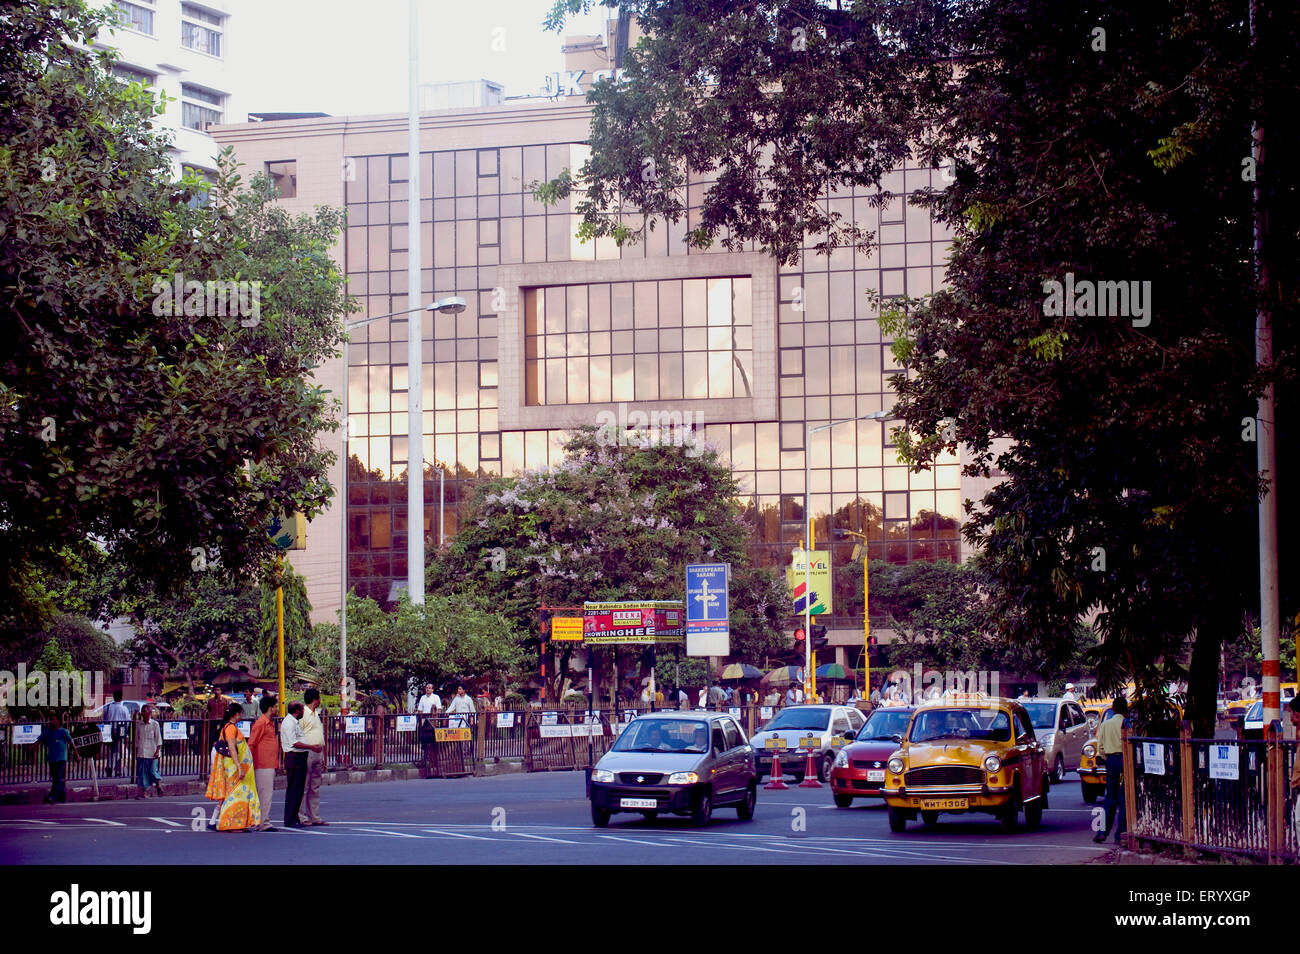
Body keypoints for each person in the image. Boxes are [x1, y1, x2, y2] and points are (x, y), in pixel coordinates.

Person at [205, 702, 261, 832]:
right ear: (236, 714)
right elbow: (232, 748)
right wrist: (239, 767)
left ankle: (235, 823)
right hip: (234, 767)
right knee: (235, 794)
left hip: (235, 766)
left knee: (236, 793)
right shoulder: (230, 728)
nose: (242, 715)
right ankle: (231, 824)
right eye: (241, 713)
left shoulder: (230, 727)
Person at [1094, 696, 1130, 844]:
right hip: (1125, 761)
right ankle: (1119, 834)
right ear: (1125, 710)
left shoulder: (1105, 725)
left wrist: (1105, 756)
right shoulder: (1127, 724)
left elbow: (1100, 747)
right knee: (1125, 799)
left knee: (1110, 797)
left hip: (1111, 761)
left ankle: (1102, 832)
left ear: (1113, 709)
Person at [298, 688, 328, 826]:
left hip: (318, 752)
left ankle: (314, 815)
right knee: (304, 785)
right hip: (308, 751)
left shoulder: (316, 714)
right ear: (315, 699)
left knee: (315, 786)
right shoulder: (303, 714)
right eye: (319, 698)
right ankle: (302, 816)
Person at [280, 700, 312, 829]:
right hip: (294, 757)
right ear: (297, 710)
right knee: (294, 788)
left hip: (299, 757)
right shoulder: (289, 723)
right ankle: (290, 818)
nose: (304, 711)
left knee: (298, 789)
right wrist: (311, 747)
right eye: (302, 709)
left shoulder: (294, 722)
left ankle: (294, 817)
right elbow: (294, 742)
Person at [249, 694, 279, 831]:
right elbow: (251, 743)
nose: (277, 709)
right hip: (263, 764)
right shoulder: (261, 723)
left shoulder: (268, 723)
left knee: (265, 793)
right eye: (275, 706)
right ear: (270, 708)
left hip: (268, 763)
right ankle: (263, 822)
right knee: (265, 794)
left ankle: (261, 821)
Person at [39, 713, 75, 804]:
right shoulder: (47, 731)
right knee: (55, 778)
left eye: (54, 719)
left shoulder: (63, 731)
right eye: (51, 719)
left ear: (58, 721)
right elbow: (39, 740)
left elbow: (71, 742)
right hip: (52, 758)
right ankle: (62, 797)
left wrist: (77, 755)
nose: (52, 721)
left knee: (58, 778)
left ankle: (52, 796)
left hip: (61, 759)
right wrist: (33, 746)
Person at [133, 705, 162, 799]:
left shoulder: (155, 724)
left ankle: (158, 784)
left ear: (149, 713)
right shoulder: (139, 724)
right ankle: (143, 792)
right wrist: (136, 751)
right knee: (142, 774)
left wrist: (157, 751)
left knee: (153, 771)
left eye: (145, 711)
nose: (143, 713)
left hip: (152, 751)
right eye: (142, 711)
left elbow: (158, 739)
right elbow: (137, 739)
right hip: (142, 752)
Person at [103, 690, 130, 776]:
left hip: (110, 729)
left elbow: (104, 719)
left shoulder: (108, 707)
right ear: (122, 698)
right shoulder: (124, 708)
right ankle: (113, 768)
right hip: (120, 730)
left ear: (113, 697)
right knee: (117, 750)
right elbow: (128, 722)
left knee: (113, 750)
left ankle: (111, 767)